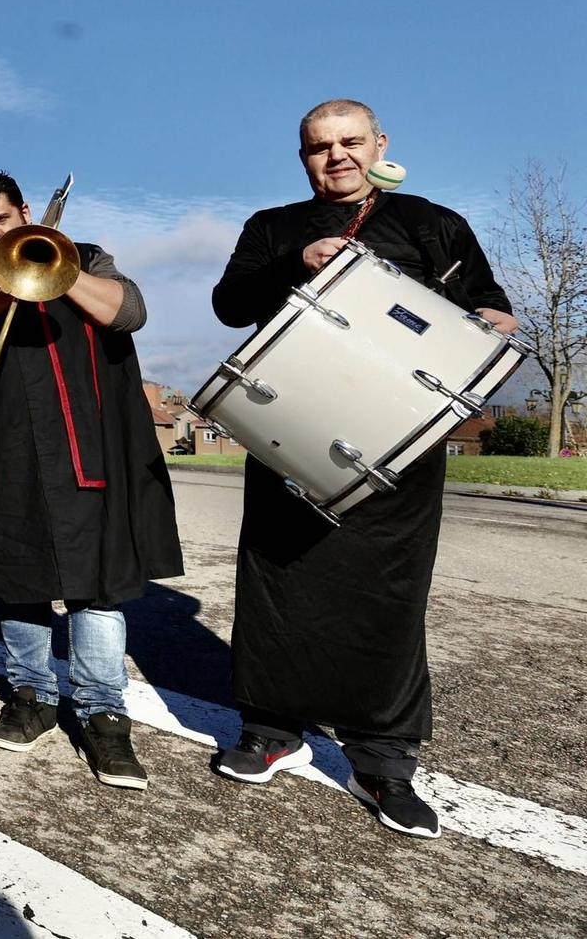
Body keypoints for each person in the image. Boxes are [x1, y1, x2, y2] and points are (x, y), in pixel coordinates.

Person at [209, 99, 516, 838]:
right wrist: (296, 261)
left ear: (380, 144)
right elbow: (228, 305)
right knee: (278, 583)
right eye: (320, 146)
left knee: (387, 597)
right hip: (291, 435)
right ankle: (272, 729)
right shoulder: (272, 227)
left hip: (401, 450)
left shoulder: (432, 224)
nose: (336, 156)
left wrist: (487, 331)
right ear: (302, 155)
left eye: (351, 142)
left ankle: (382, 759)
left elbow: (494, 313)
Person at [0, 170, 180, 790]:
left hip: (83, 452)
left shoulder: (82, 257)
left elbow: (130, 310)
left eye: (0, 221)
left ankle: (102, 714)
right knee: (18, 581)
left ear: (25, 213)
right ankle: (31, 696)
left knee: (97, 586)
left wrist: (56, 272)